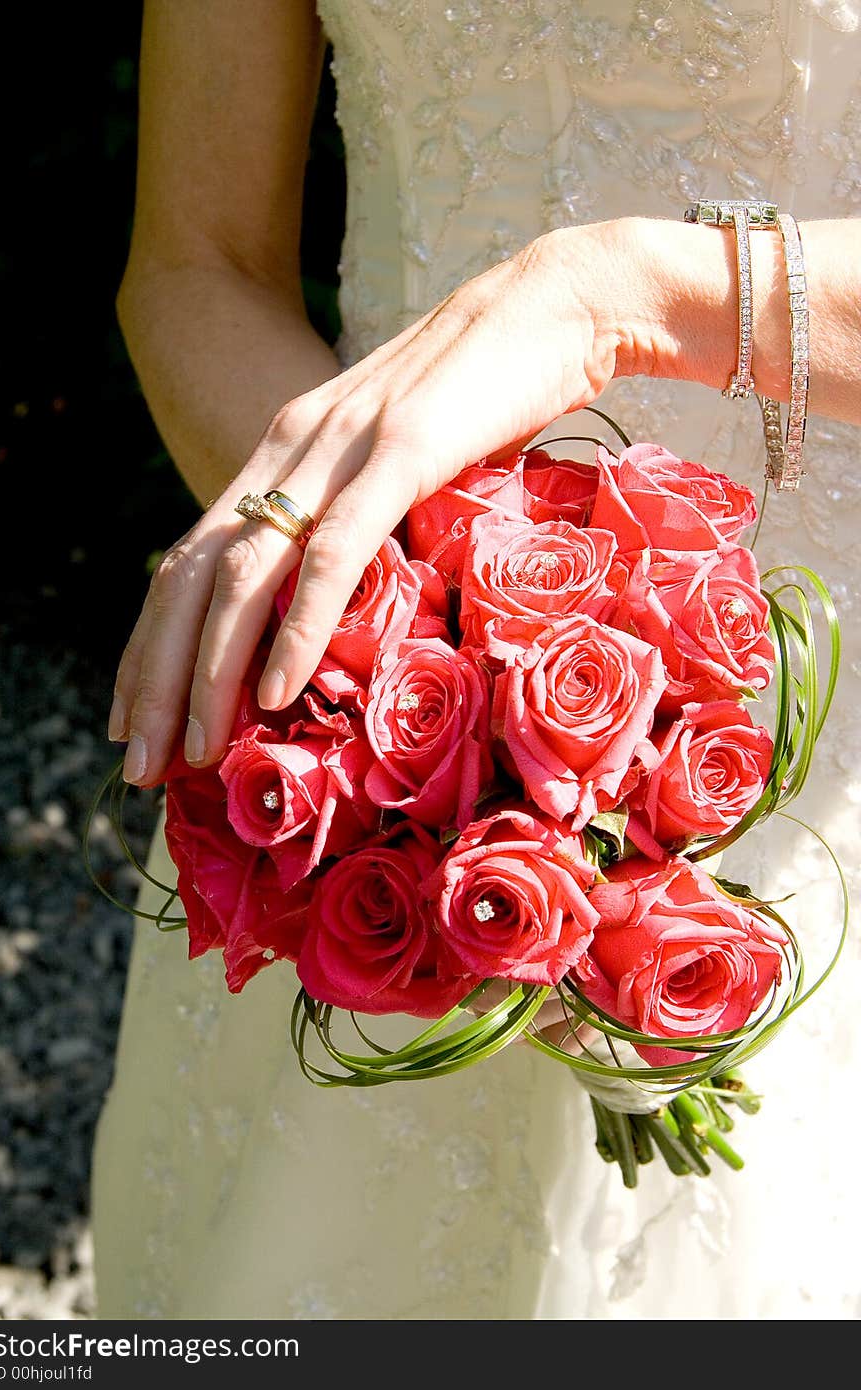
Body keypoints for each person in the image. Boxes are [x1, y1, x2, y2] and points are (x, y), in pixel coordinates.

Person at [90, 0, 861, 1319]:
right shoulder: (411, 684)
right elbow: (196, 262)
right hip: (386, 729)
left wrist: (631, 295)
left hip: (820, 718)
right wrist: (434, 673)